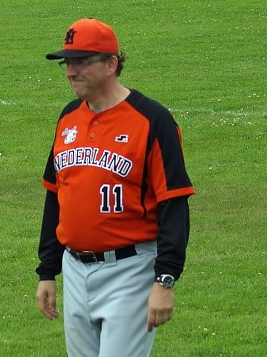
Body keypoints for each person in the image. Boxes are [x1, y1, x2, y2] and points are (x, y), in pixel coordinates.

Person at [34, 18, 195, 357]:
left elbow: (174, 203)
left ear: (111, 64)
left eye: (81, 62)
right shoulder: (68, 118)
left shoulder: (152, 120)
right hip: (74, 270)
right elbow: (56, 196)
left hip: (130, 272)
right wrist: (47, 271)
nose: (70, 72)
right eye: (67, 63)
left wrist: (165, 280)